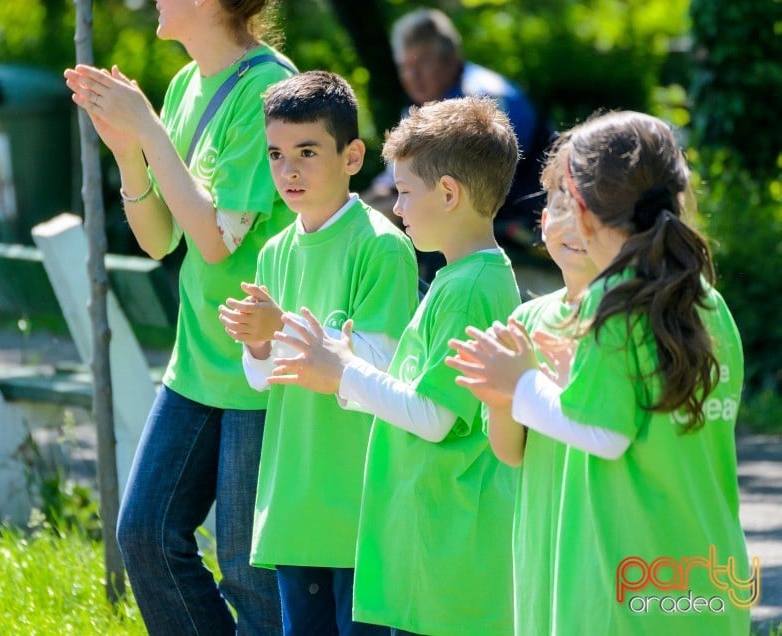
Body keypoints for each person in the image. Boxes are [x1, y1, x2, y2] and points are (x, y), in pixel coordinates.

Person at [447, 111, 754, 634]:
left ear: (583, 207)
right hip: (701, 581)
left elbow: (604, 433)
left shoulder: (617, 304)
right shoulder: (704, 301)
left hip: (624, 589)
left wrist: (519, 382)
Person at [63, 2, 295, 633]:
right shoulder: (183, 85)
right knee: (144, 532)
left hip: (259, 365)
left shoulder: (269, 89)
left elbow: (218, 239)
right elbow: (160, 238)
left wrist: (149, 129)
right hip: (194, 359)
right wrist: (128, 151)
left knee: (250, 574)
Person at [267, 96, 521, 634]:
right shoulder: (461, 279)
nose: (397, 207)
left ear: (448, 193)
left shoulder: (470, 288)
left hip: (447, 547)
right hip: (430, 539)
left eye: (405, 192)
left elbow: (433, 416)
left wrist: (343, 371)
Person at [218, 70, 418, 636]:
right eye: (277, 154)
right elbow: (262, 379)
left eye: (307, 151)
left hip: (361, 508)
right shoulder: (275, 251)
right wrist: (257, 341)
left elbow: (379, 366)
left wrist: (278, 325)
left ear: (353, 155)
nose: (290, 170)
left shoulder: (381, 246)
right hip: (294, 504)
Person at [477, 139, 601, 634]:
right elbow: (511, 452)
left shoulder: (627, 316)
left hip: (603, 542)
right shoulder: (526, 319)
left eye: (588, 206)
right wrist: (502, 401)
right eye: (557, 203)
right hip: (542, 542)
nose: (569, 223)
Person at [369, 8, 552, 280]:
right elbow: (391, 182)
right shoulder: (420, 107)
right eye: (404, 67)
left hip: (521, 219)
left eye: (422, 63)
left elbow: (478, 180)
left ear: (451, 58)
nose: (412, 76)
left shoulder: (486, 98)